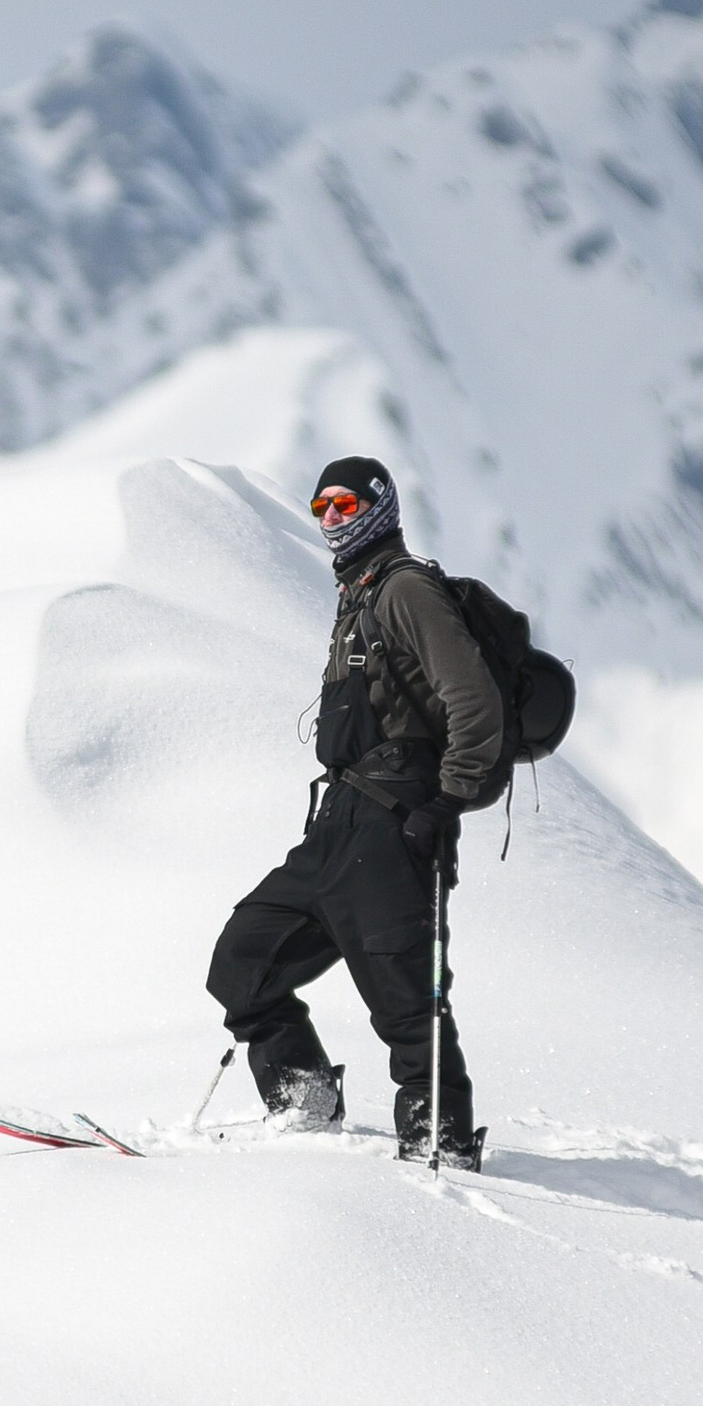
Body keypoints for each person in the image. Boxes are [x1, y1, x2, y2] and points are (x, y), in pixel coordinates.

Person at [205, 455, 501, 1165]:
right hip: (340, 819)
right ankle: (305, 1100)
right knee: (244, 958)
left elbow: (474, 699)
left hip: (396, 822)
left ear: (379, 505)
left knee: (406, 1001)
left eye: (346, 503)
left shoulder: (406, 590)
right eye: (321, 508)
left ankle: (439, 1146)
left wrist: (446, 800)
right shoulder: (358, 593)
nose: (333, 517)